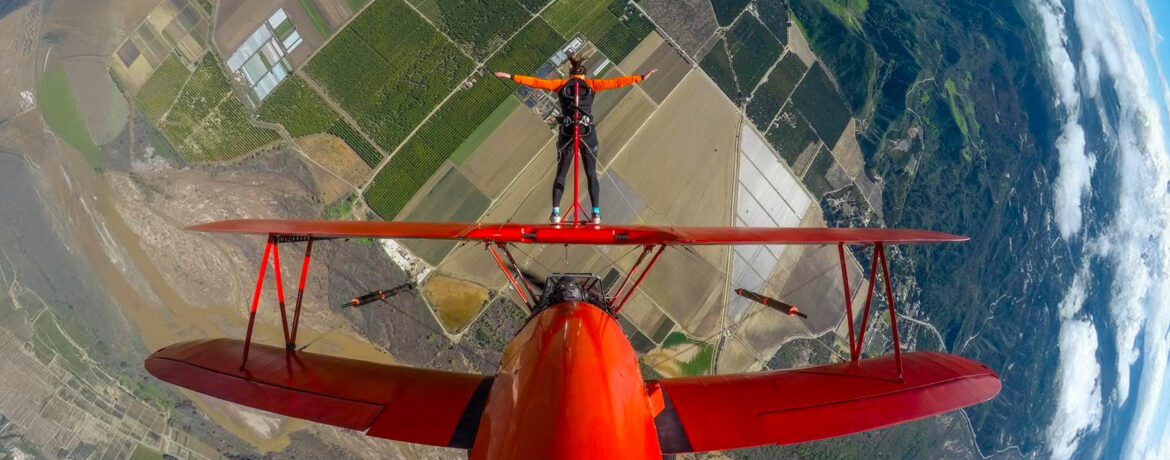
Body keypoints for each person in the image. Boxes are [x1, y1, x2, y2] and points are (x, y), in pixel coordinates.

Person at [494, 56, 656, 224]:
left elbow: (535, 82)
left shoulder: (560, 85)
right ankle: (596, 214)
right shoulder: (592, 85)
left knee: (561, 174)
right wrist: (641, 77)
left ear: (570, 75)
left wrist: (511, 76)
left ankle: (555, 213)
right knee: (591, 173)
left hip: (567, 132)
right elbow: (617, 82)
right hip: (587, 132)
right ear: (584, 76)